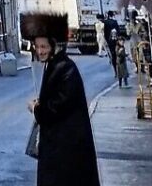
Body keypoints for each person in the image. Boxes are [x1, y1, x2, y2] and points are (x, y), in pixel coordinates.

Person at [23, 12, 100, 186]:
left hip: (67, 149)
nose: (40, 51)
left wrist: (35, 108)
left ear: (52, 45)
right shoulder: (56, 65)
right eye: (37, 47)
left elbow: (57, 107)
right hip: (62, 147)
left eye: (44, 47)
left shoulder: (65, 68)